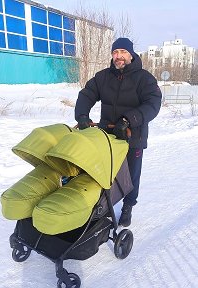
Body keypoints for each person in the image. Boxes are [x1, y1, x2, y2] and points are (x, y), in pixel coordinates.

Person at [74, 37, 162, 226]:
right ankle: (100, 205)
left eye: (123, 52)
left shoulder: (144, 78)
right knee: (101, 171)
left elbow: (153, 104)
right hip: (106, 135)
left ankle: (127, 207)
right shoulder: (103, 77)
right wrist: (82, 115)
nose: (118, 56)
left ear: (131, 55)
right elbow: (87, 94)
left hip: (133, 135)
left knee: (130, 174)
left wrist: (129, 119)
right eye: (115, 52)